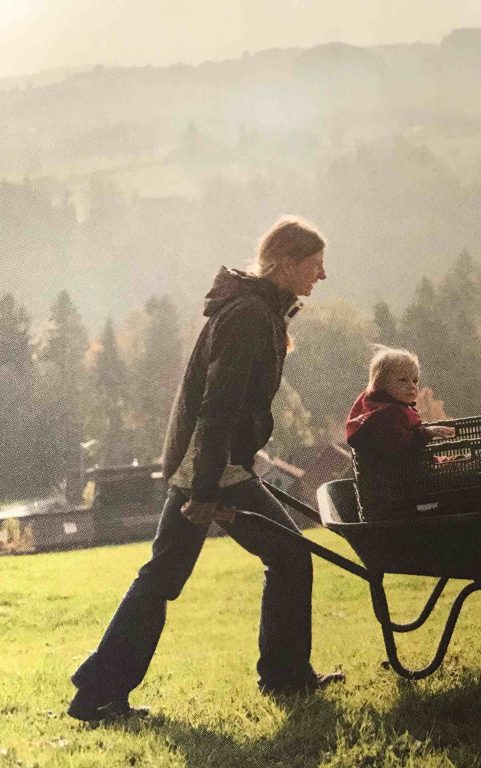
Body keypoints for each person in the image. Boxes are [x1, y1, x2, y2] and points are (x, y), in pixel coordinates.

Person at [67, 216, 342, 723]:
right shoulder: (248, 316)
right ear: (286, 261)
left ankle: (97, 694)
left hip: (217, 465)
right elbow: (220, 406)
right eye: (316, 264)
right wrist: (206, 487)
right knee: (285, 557)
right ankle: (283, 677)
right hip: (210, 468)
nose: (322, 277)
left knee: (166, 575)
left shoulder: (258, 311)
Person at [345, 347, 456, 518]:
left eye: (415, 381)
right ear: (380, 384)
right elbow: (399, 447)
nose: (412, 386)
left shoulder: (391, 408)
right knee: (459, 480)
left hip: (404, 480)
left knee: (457, 466)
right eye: (403, 380)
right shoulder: (385, 415)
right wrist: (425, 433)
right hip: (397, 486)